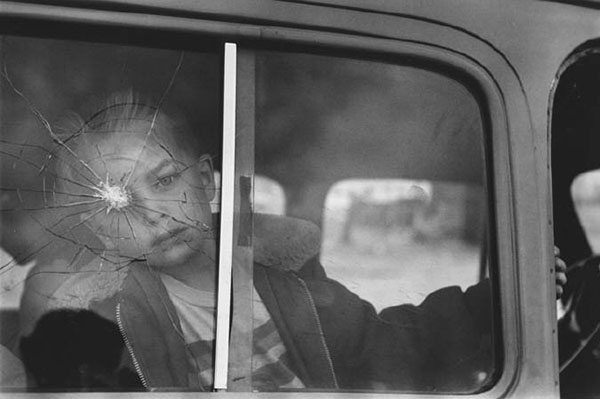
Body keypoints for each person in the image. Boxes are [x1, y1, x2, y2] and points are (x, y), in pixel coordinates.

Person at [18, 92, 567, 392]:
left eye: (165, 181)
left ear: (206, 181)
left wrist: (498, 304)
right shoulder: (105, 320)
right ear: (98, 227)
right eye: (118, 201)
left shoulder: (290, 285)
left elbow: (395, 342)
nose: (156, 213)